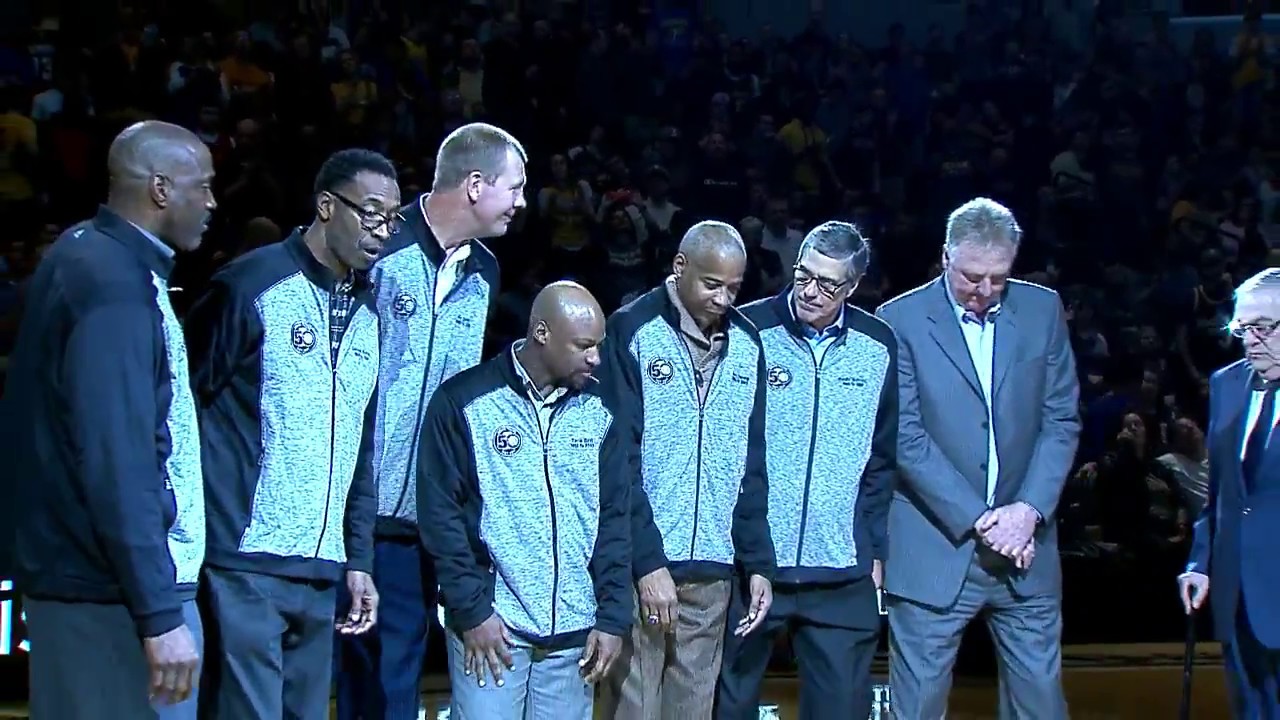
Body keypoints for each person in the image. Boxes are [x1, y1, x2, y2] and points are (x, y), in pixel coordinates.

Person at [1, 120, 215, 718]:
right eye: (203, 186)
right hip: (109, 594)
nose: (212, 202)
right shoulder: (114, 284)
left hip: (78, 580)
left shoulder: (82, 252)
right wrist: (159, 613)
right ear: (161, 188)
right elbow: (118, 460)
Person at [186, 148, 399, 719]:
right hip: (243, 560)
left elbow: (358, 452)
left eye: (392, 219)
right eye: (371, 213)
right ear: (327, 206)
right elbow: (183, 407)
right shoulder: (251, 285)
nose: (382, 231)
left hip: (322, 570)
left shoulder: (370, 314)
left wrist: (358, 559)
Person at [336, 122, 524, 720]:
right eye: (514, 186)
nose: (521, 201)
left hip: (425, 515)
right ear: (476, 184)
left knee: (398, 676)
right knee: (347, 674)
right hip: (350, 506)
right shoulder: (381, 250)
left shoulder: (485, 271)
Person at [875, 198, 1080, 720]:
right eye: (972, 277)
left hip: (1026, 551)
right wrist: (984, 520)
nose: (985, 290)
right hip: (935, 549)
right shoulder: (898, 320)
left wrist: (1028, 511)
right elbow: (905, 437)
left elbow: (1061, 420)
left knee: (1041, 707)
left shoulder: (1042, 310)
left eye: (999, 278)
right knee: (917, 710)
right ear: (945, 256)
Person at [419, 281, 632, 719]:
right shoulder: (465, 402)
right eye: (584, 346)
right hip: (492, 633)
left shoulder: (601, 412)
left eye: (598, 345)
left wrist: (612, 617)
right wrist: (473, 612)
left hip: (574, 640)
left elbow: (614, 521)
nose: (595, 358)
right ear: (541, 334)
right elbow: (441, 518)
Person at [598, 220, 776, 720]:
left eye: (734, 289)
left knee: (693, 712)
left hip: (714, 571)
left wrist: (758, 563)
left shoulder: (748, 344)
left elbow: (751, 464)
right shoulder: (632, 329)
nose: (723, 299)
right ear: (680, 267)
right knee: (633, 711)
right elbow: (618, 464)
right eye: (712, 284)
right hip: (642, 568)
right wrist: (646, 562)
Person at [718, 221, 897, 719]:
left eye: (828, 284)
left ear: (853, 287)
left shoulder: (878, 345)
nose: (811, 291)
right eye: (804, 275)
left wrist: (874, 547)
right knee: (727, 706)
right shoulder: (748, 331)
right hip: (752, 566)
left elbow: (882, 459)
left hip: (840, 572)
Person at [1179, 267, 1280, 718]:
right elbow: (1220, 494)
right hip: (1237, 594)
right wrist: (1200, 563)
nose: (1252, 341)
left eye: (1265, 327)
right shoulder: (1227, 383)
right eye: (1243, 329)